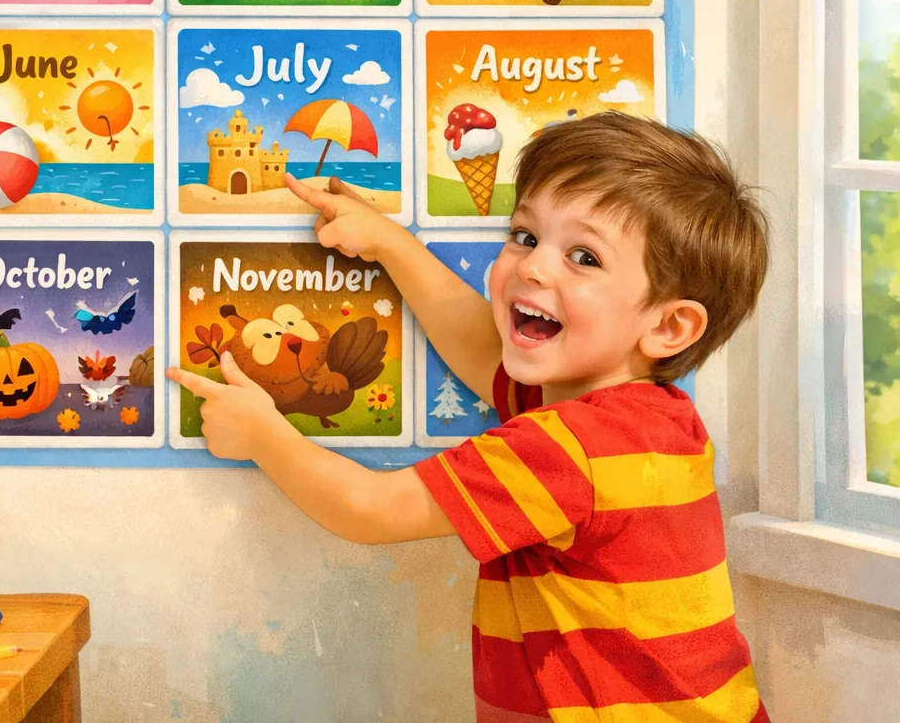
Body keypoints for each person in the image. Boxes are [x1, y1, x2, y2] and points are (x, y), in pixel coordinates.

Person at [168, 112, 771, 722]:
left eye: (584, 257)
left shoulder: (569, 447)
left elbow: (370, 509)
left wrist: (262, 434)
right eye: (527, 236)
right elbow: (482, 347)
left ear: (668, 325)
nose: (534, 267)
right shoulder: (646, 420)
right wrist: (392, 245)